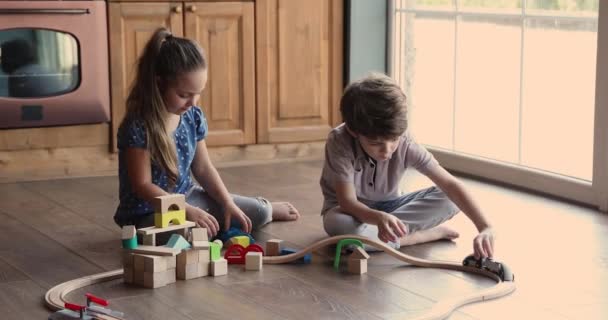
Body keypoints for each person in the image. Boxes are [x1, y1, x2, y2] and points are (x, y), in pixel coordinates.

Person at [113, 28, 300, 239]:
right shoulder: (137, 125)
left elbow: (203, 168)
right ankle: (214, 230)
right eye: (184, 95)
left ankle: (267, 208)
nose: (192, 102)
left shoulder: (192, 116)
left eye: (198, 93)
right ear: (159, 83)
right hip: (147, 213)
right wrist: (186, 211)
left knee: (257, 213)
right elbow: (143, 186)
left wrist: (226, 202)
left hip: (189, 198)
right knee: (190, 234)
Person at [320, 73, 495, 259]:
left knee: (450, 198)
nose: (387, 151)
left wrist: (485, 227)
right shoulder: (339, 141)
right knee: (338, 224)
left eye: (393, 140)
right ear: (353, 131)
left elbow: (450, 184)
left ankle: (378, 238)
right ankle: (415, 237)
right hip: (350, 211)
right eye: (375, 143)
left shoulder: (405, 141)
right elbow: (347, 202)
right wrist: (378, 218)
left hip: (393, 207)